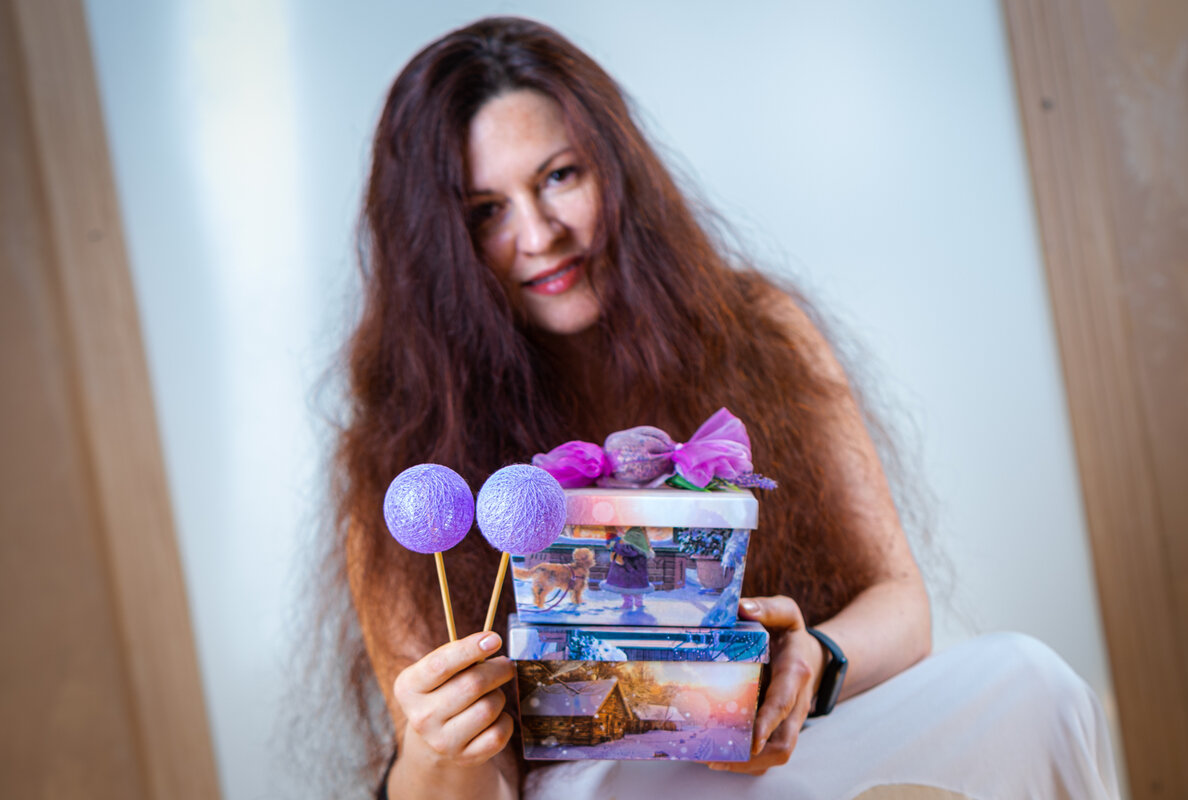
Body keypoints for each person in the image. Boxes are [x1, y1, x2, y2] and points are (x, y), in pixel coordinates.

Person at [333, 16, 1118, 800]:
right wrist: (440, 749)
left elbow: (902, 606)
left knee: (1030, 683)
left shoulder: (758, 327)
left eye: (560, 176)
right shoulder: (396, 451)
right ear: (437, 248)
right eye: (486, 211)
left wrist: (812, 663)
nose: (540, 234)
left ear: (616, 166)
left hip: (777, 751)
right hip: (601, 785)